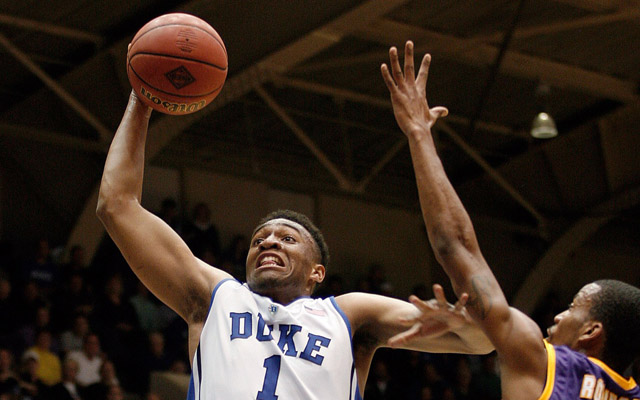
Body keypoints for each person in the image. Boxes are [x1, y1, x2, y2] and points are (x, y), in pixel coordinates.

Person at [95, 57, 493, 398]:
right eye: (259, 239)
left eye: (288, 238)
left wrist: (464, 324)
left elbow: (482, 341)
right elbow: (117, 206)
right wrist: (142, 97)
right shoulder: (214, 295)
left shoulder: (349, 314)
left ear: (317, 272)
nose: (269, 240)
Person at [381, 40, 640, 399]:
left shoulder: (540, 358)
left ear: (591, 332)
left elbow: (454, 245)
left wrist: (419, 134)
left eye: (572, 309)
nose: (558, 317)